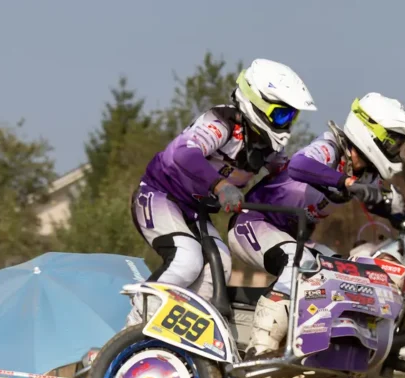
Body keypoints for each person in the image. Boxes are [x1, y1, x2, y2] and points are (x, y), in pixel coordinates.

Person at [228, 93, 405, 356]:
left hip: (292, 237)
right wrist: (346, 183)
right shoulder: (330, 148)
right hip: (253, 222)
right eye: (391, 142)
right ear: (369, 132)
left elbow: (386, 206)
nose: (394, 150)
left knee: (342, 273)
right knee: (297, 263)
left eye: (398, 145)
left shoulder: (366, 174)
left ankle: (314, 354)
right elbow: (299, 166)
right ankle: (258, 353)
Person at [126, 58, 317, 325]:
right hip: (158, 195)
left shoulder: (269, 147)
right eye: (282, 114)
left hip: (195, 213)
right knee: (187, 259)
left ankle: (178, 341)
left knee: (220, 268)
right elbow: (180, 154)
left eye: (291, 116)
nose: (287, 124)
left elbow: (287, 175)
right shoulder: (222, 122)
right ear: (258, 104)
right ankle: (131, 330)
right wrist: (221, 185)